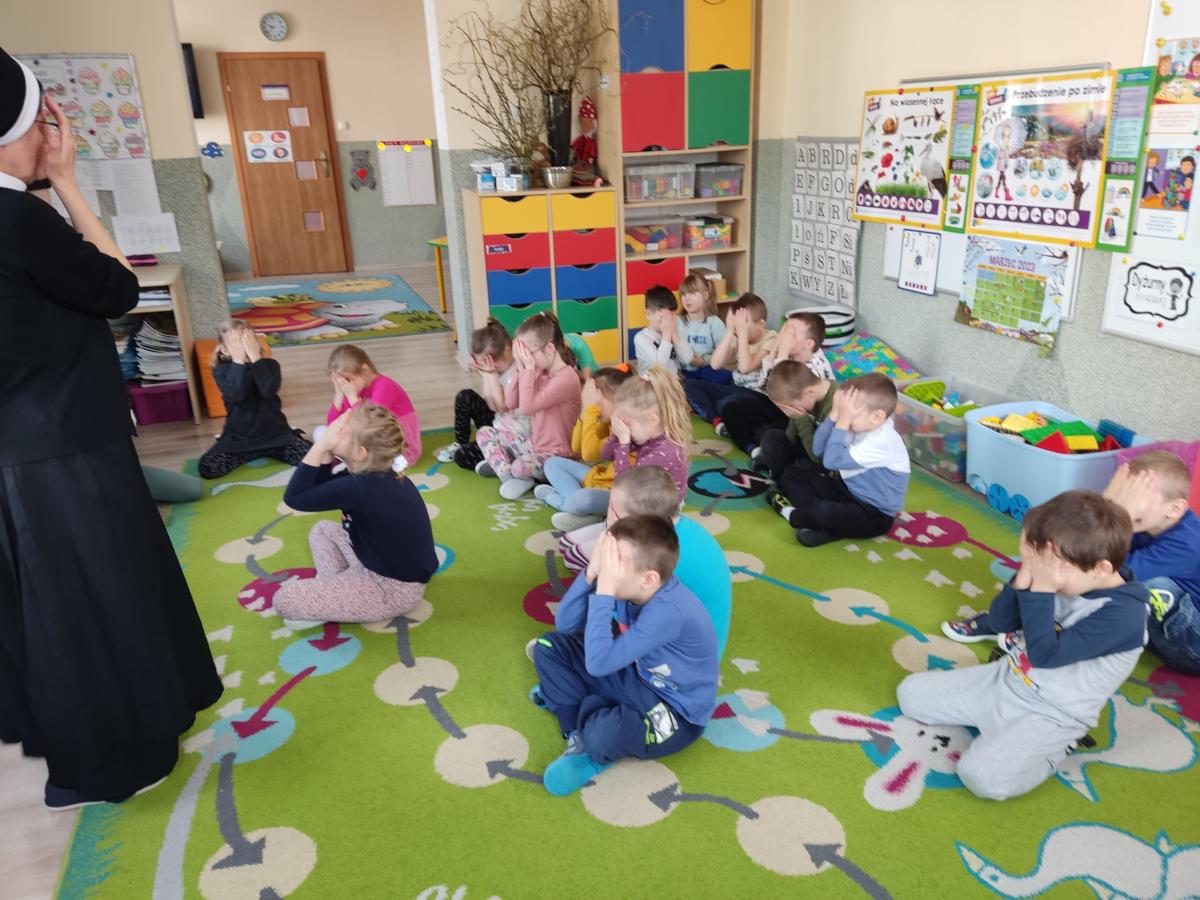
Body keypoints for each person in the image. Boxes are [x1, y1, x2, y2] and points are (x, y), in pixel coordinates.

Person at [0, 50, 221, 810]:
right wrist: (66, 183)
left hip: (22, 450)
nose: (49, 135)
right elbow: (119, 287)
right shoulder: (18, 219)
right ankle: (118, 761)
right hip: (64, 447)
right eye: (40, 122)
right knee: (99, 599)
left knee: (48, 604)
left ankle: (81, 753)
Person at [896, 491, 1149, 802]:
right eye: (1038, 558)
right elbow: (1000, 621)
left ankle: (1056, 748)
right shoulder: (1057, 572)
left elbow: (1045, 655)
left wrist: (1042, 588)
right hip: (1005, 680)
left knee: (982, 778)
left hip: (1052, 714)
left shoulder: (1124, 617)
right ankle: (997, 729)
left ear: (1101, 569)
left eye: (1052, 566)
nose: (1045, 573)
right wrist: (1026, 573)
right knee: (910, 695)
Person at [943, 451, 1200, 674]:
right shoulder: (1148, 522)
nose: (1129, 503)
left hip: (1191, 644)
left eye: (1140, 497)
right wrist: (1108, 508)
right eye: (1127, 493)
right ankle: (1019, 619)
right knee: (1072, 554)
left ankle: (1042, 627)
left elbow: (1109, 571)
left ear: (1175, 508)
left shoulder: (1188, 543)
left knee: (1106, 572)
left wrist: (1120, 516)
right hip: (1147, 624)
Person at [531, 515, 719, 796]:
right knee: (549, 646)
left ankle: (584, 732)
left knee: (603, 735)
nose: (608, 569)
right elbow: (566, 625)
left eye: (615, 563)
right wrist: (591, 573)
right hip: (636, 673)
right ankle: (576, 732)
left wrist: (604, 593)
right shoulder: (632, 586)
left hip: (676, 710)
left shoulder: (668, 611)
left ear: (648, 579)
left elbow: (598, 664)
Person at [275, 404, 437, 625]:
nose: (333, 431)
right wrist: (326, 452)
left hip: (391, 589)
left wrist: (320, 446)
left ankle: (333, 599)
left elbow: (294, 498)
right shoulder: (374, 473)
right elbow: (321, 490)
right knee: (322, 530)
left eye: (342, 431)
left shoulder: (362, 487)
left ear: (361, 453)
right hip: (374, 560)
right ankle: (336, 595)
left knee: (285, 600)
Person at [558, 465, 733, 657]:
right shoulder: (676, 532)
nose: (608, 515)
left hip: (674, 658)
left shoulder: (650, 555)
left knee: (568, 640)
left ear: (634, 522)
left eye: (612, 510)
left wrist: (592, 575)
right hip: (692, 643)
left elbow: (569, 623)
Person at [766, 373, 910, 547]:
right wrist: (834, 414)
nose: (845, 417)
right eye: (843, 412)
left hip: (873, 514)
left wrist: (843, 420)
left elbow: (831, 461)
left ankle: (791, 513)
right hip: (846, 490)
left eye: (850, 413)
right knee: (794, 473)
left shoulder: (882, 441)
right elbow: (818, 450)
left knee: (823, 512)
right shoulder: (858, 424)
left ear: (877, 417)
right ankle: (832, 526)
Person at [476, 312, 582, 499]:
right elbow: (510, 403)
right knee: (485, 433)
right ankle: (510, 479)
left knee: (520, 466)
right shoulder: (540, 371)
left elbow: (527, 408)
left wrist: (529, 368)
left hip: (559, 456)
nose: (527, 358)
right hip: (536, 447)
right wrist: (520, 366)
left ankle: (521, 473)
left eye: (528, 353)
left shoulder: (567, 378)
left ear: (549, 349)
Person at [198, 319, 311, 478]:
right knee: (209, 468)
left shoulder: (270, 365)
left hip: (276, 435)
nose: (243, 346)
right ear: (224, 350)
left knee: (314, 457)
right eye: (237, 343)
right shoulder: (222, 370)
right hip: (240, 439)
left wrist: (255, 357)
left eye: (248, 340)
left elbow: (268, 391)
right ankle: (247, 453)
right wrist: (238, 361)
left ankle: (269, 449)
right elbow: (235, 396)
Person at [718, 311, 834, 458]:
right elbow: (764, 386)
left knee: (767, 435)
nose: (784, 336)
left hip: (799, 417)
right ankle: (752, 449)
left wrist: (782, 354)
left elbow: (784, 395)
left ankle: (752, 441)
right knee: (730, 406)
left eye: (791, 334)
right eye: (784, 330)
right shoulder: (792, 355)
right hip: (778, 403)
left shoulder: (814, 368)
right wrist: (775, 349)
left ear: (808, 344)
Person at [536, 365, 634, 532]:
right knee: (552, 463)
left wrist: (590, 409)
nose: (594, 405)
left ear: (615, 398)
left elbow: (589, 454)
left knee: (585, 497)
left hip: (617, 494)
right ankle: (586, 514)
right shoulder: (610, 421)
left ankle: (557, 501)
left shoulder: (625, 427)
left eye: (597, 401)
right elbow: (577, 449)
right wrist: (584, 413)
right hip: (601, 480)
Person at [435, 318, 527, 471]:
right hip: (499, 424)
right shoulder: (496, 369)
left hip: (515, 435)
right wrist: (486, 373)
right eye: (483, 363)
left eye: (489, 362)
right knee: (465, 396)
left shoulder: (519, 372)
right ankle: (461, 443)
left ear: (507, 350)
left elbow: (501, 407)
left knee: (463, 457)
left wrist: (491, 374)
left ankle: (503, 460)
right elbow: (489, 403)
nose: (488, 366)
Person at [682, 292, 778, 427]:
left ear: (760, 324)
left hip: (757, 395)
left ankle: (717, 411)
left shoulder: (771, 338)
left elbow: (745, 367)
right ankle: (717, 420)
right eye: (736, 324)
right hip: (735, 388)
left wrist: (742, 333)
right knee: (690, 385)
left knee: (726, 404)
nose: (738, 329)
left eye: (743, 323)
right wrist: (729, 331)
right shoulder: (737, 335)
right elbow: (715, 364)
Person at [604, 364, 692, 502]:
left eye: (628, 424)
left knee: (587, 498)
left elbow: (623, 487)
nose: (624, 429)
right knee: (585, 492)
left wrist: (624, 442)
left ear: (653, 420)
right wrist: (617, 435)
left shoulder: (665, 452)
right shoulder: (648, 435)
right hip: (639, 501)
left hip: (655, 511)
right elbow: (607, 455)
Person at [325, 344, 420, 468]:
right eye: (340, 382)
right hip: (369, 440)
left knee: (338, 442)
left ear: (365, 370)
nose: (345, 386)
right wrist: (338, 395)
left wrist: (352, 397)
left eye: (347, 380)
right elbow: (333, 425)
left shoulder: (384, 387)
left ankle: (346, 461)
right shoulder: (354, 388)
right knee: (323, 433)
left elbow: (370, 424)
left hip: (397, 449)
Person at [755, 360, 839, 479]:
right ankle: (777, 473)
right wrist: (794, 417)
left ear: (809, 393)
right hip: (810, 442)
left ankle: (781, 477)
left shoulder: (834, 408)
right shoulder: (810, 397)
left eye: (791, 406)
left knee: (795, 473)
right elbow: (791, 437)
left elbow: (819, 457)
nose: (790, 409)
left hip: (828, 461)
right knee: (770, 437)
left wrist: (801, 419)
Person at [676, 272, 729, 383]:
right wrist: (675, 369)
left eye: (692, 293)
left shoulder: (715, 323)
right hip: (683, 371)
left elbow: (723, 353)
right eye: (684, 295)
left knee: (725, 375)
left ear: (705, 295)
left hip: (706, 369)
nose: (687, 298)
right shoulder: (677, 321)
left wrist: (704, 361)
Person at [633, 285, 692, 375]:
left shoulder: (674, 331)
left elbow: (687, 359)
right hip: (652, 382)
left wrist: (674, 334)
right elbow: (660, 367)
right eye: (663, 317)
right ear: (648, 314)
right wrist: (667, 334)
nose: (668, 321)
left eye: (672, 316)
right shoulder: (641, 338)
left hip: (674, 381)